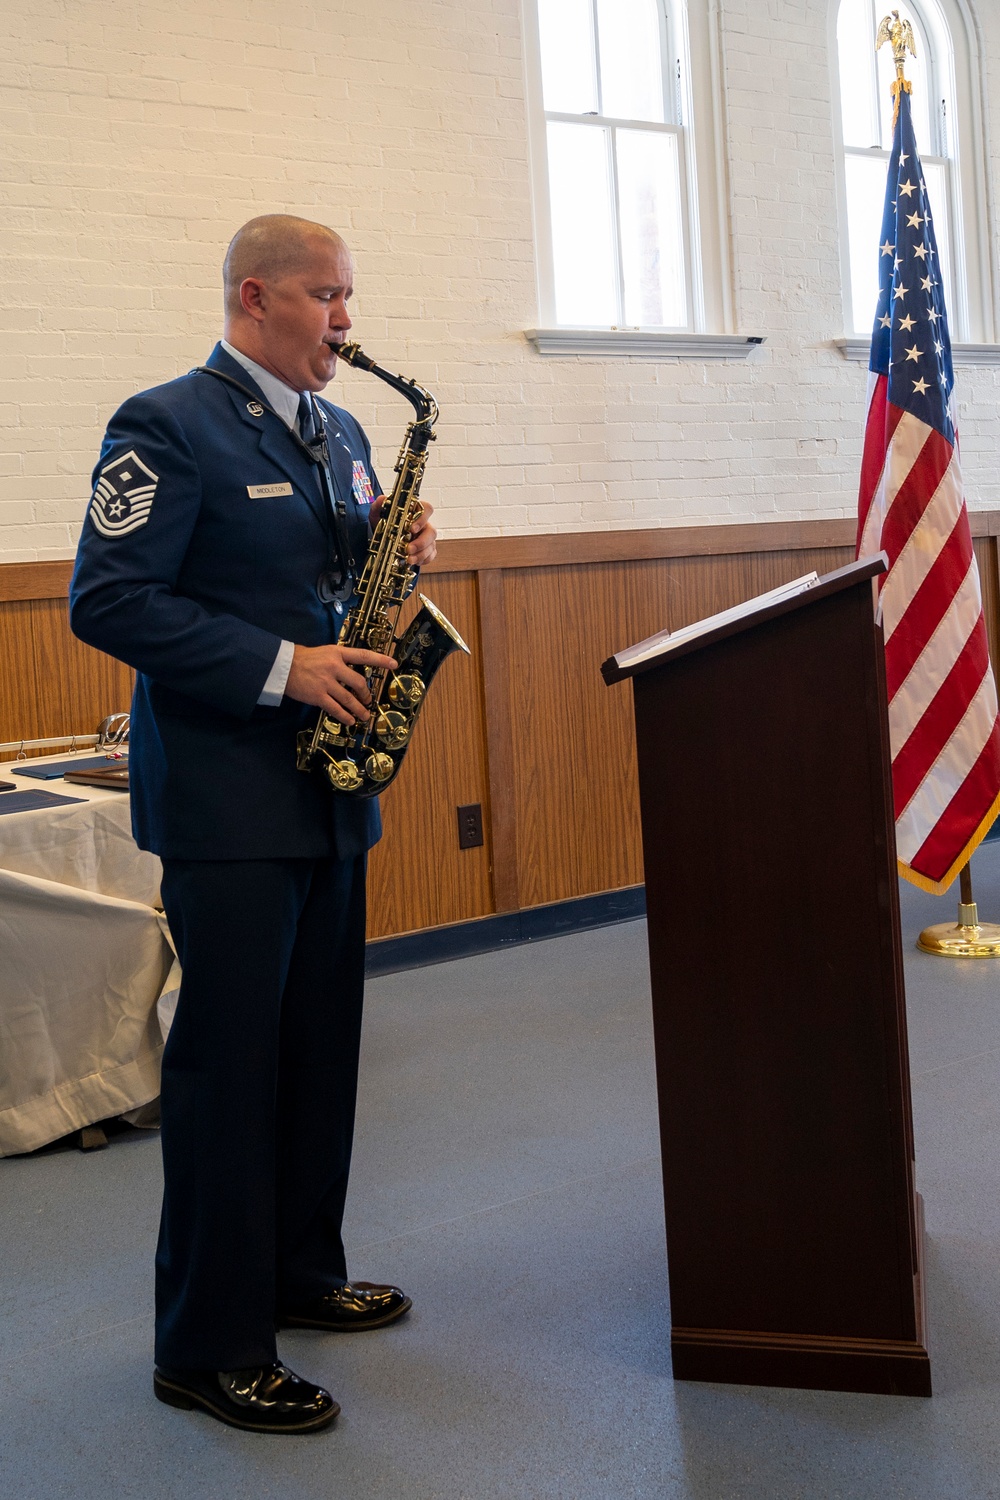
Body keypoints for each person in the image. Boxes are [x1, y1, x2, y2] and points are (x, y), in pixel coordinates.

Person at [70, 214, 437, 1435]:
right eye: (327, 295)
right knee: (229, 1072)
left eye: (347, 295)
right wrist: (285, 666)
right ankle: (208, 1345)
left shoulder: (338, 430)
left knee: (320, 1049)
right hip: (229, 804)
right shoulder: (162, 425)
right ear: (253, 296)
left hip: (332, 794)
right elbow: (108, 599)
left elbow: (340, 582)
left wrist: (405, 560)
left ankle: (298, 1273)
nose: (346, 319)